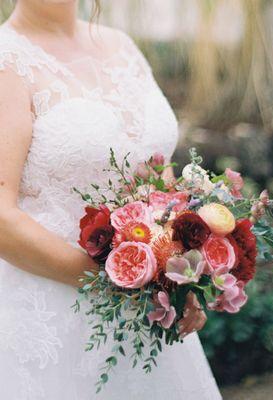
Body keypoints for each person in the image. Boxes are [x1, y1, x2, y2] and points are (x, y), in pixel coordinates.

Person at [0, 1, 222, 398]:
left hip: (149, 311)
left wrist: (181, 271)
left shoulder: (122, 46)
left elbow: (157, 170)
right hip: (54, 317)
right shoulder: (7, 60)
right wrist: (117, 283)